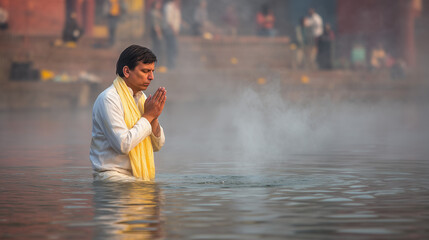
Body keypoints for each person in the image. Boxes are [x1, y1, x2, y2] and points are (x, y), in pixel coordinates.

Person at [90, 45, 166, 182]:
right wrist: (148, 116)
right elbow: (123, 145)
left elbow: (157, 146)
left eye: (152, 71)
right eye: (145, 71)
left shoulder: (141, 99)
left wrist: (154, 117)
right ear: (126, 71)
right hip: (112, 179)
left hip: (137, 177)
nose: (151, 77)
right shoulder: (109, 99)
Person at [163, 0, 181, 69]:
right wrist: (174, 30)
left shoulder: (175, 7)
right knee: (171, 48)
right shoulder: (168, 7)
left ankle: (173, 65)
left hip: (174, 32)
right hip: (170, 32)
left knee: (174, 49)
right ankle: (170, 65)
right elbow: (169, 20)